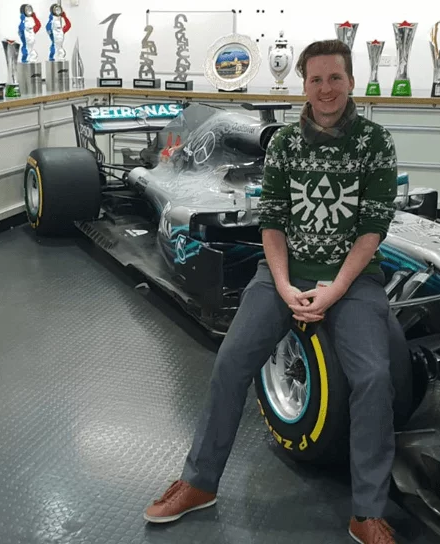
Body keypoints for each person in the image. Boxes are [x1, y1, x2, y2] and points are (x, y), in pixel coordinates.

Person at [143, 39, 400, 544]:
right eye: (316, 79)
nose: (326, 89)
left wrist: (334, 290)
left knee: (374, 377)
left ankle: (366, 512)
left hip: (352, 280)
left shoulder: (376, 142)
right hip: (283, 273)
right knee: (231, 361)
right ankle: (199, 482)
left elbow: (373, 229)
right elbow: (274, 224)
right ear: (303, 85)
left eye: (335, 78)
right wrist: (283, 285)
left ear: (350, 81)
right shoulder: (283, 145)